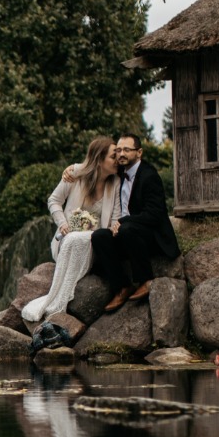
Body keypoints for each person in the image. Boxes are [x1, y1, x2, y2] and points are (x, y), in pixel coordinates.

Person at [21, 136, 117, 347]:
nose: (118, 158)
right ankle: (56, 300)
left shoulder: (116, 183)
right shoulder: (74, 174)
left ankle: (60, 301)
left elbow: (116, 219)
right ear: (99, 159)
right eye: (113, 155)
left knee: (80, 239)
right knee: (73, 238)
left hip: (95, 243)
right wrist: (63, 222)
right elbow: (54, 201)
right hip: (66, 239)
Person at [92, 133, 180, 312]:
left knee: (127, 229)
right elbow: (95, 164)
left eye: (126, 150)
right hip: (127, 235)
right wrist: (71, 170)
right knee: (99, 236)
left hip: (150, 238)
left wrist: (123, 221)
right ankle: (123, 286)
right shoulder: (120, 173)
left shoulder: (149, 176)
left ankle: (146, 280)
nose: (121, 154)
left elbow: (154, 214)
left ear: (139, 152)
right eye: (118, 150)